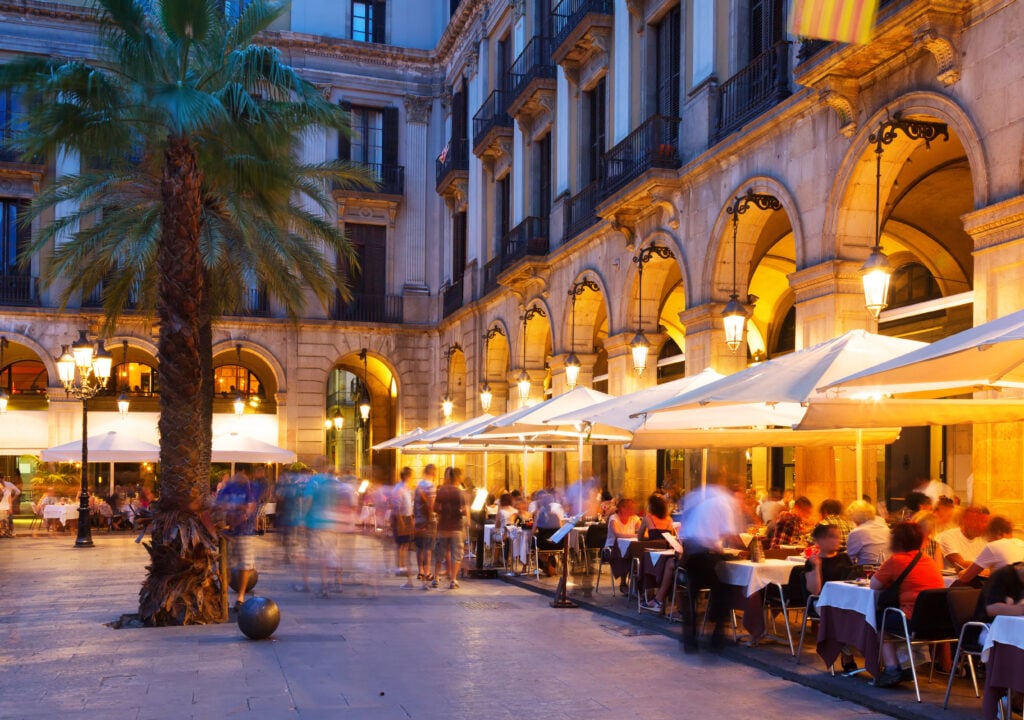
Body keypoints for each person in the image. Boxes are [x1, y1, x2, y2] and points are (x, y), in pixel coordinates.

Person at [870, 522, 945, 688]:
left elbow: (874, 585)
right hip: (938, 623)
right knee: (895, 618)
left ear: (896, 542)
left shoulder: (896, 560)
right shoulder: (928, 560)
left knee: (879, 621)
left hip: (912, 621)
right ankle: (907, 664)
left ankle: (891, 667)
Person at [678, 478, 743, 653]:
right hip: (704, 552)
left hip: (690, 550)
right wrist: (746, 550)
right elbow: (730, 535)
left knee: (693, 593)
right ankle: (717, 635)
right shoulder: (725, 503)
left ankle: (690, 639)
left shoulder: (704, 500)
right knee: (724, 588)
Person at [804, 523, 856, 671]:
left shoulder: (845, 558)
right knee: (842, 616)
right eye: (832, 537)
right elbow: (815, 591)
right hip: (822, 602)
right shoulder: (813, 562)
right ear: (820, 541)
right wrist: (817, 567)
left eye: (838, 536)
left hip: (845, 599)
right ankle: (847, 655)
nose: (837, 540)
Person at [216, 471, 259, 609]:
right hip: (228, 532)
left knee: (244, 565)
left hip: (244, 532)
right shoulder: (227, 488)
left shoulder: (249, 487)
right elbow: (219, 505)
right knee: (226, 565)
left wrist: (239, 510)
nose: (241, 476)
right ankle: (224, 596)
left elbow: (251, 507)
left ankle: (240, 597)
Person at [957, 516, 1024, 586]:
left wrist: (961, 572)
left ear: (999, 534)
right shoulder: (1021, 543)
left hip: (1003, 594)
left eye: (988, 536)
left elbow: (965, 578)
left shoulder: (995, 546)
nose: (988, 540)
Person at [433, 467, 467, 589]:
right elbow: (464, 510)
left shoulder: (441, 490)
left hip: (443, 526)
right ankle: (453, 579)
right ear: (458, 478)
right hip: (456, 527)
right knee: (457, 554)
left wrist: (444, 511)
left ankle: (436, 578)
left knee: (440, 552)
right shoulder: (460, 492)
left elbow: (435, 507)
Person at [938, 505, 990, 572]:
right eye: (978, 521)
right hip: (954, 581)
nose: (983, 526)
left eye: (985, 522)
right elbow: (961, 564)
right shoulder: (948, 536)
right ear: (965, 520)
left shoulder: (984, 540)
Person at [605, 497, 641, 592]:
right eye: (631, 508)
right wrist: (635, 535)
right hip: (613, 547)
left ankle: (637, 583)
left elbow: (643, 533)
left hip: (630, 546)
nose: (634, 510)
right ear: (622, 508)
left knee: (639, 554)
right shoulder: (614, 519)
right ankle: (623, 583)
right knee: (625, 555)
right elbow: (617, 534)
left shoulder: (635, 518)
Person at [413, 464, 437, 590]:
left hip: (418, 519)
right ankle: (427, 572)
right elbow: (431, 505)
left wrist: (415, 518)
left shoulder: (419, 485)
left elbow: (414, 503)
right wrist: (429, 520)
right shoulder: (431, 486)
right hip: (428, 520)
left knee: (419, 547)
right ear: (433, 473)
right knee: (428, 547)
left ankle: (420, 570)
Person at [845, 499, 890, 566]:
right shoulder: (885, 528)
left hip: (869, 571)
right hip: (889, 568)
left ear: (854, 517)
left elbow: (849, 558)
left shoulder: (857, 532)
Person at [391, 467, 415, 588]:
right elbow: (397, 507)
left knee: (405, 544)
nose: (412, 478)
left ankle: (403, 566)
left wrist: (411, 520)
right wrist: (401, 522)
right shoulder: (399, 489)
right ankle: (400, 566)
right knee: (401, 544)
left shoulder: (406, 488)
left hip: (407, 517)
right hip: (401, 518)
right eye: (411, 476)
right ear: (406, 476)